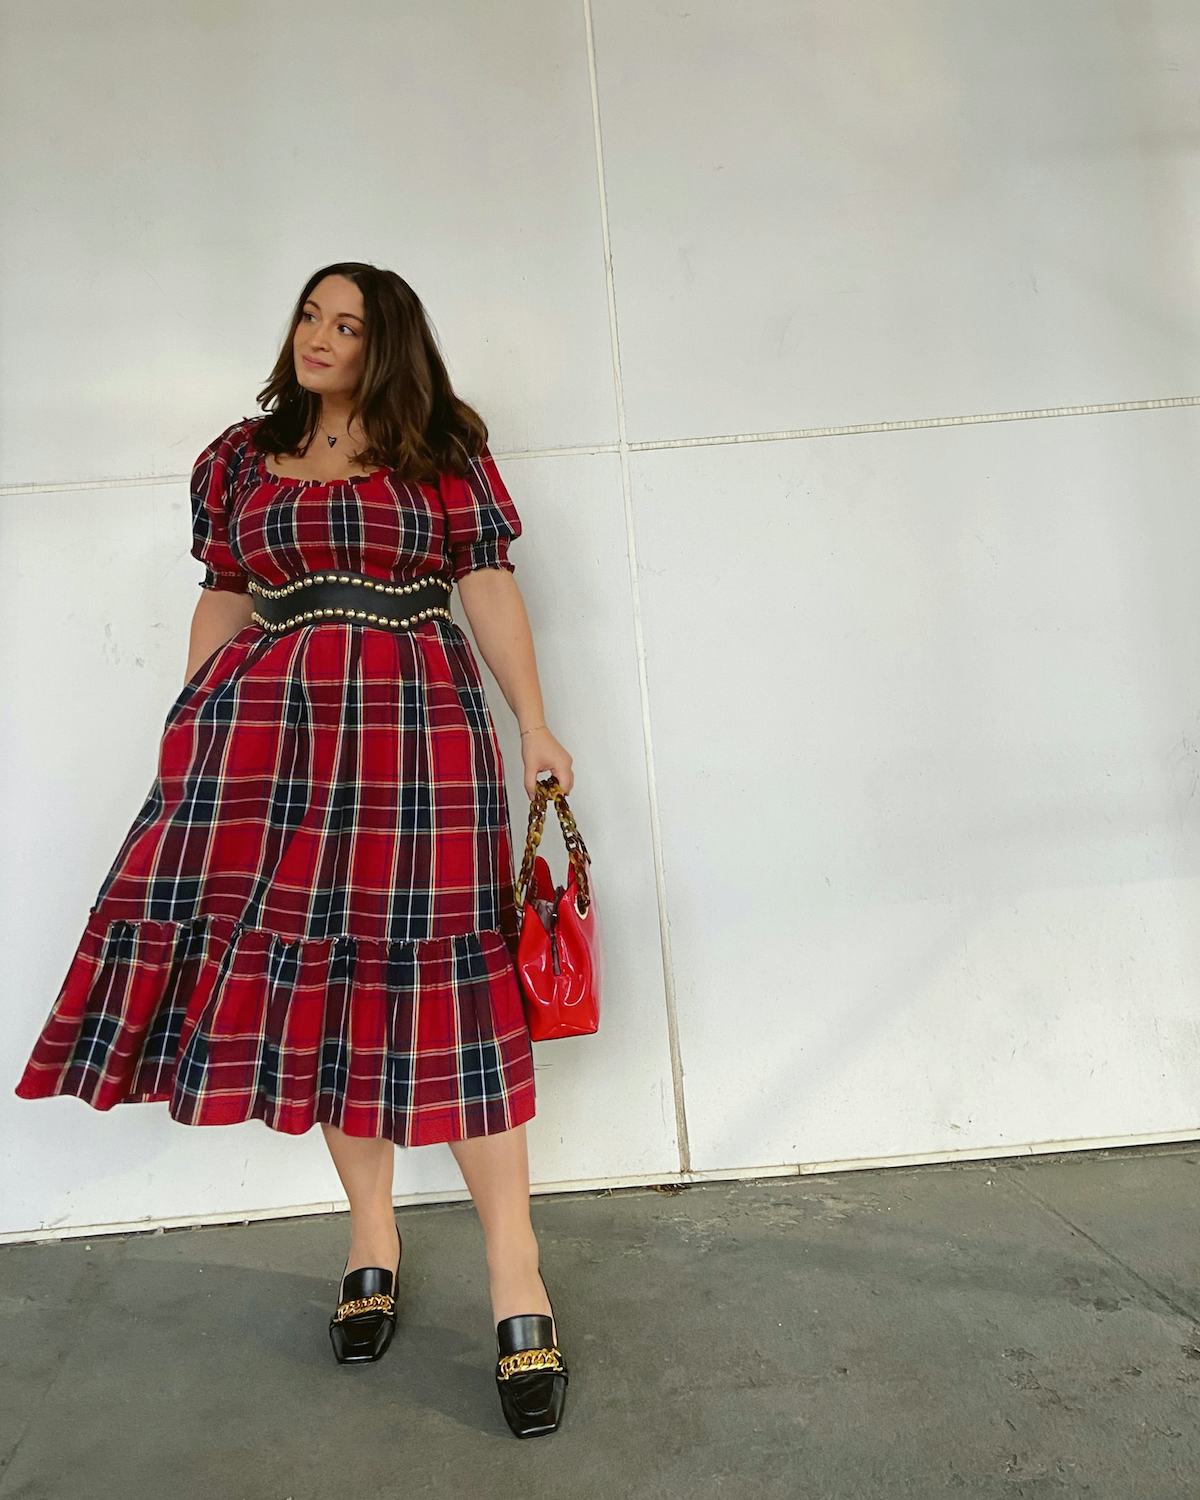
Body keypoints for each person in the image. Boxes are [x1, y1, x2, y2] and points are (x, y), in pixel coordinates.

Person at [14, 261, 574, 1439]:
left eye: (348, 325)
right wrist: (186, 727)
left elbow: (484, 581)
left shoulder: (442, 450)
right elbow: (225, 594)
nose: (320, 337)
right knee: (324, 992)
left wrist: (533, 722)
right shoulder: (240, 455)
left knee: (447, 999)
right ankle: (371, 1237)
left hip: (418, 733)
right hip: (263, 742)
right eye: (311, 316)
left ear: (389, 346)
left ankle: (515, 1276)